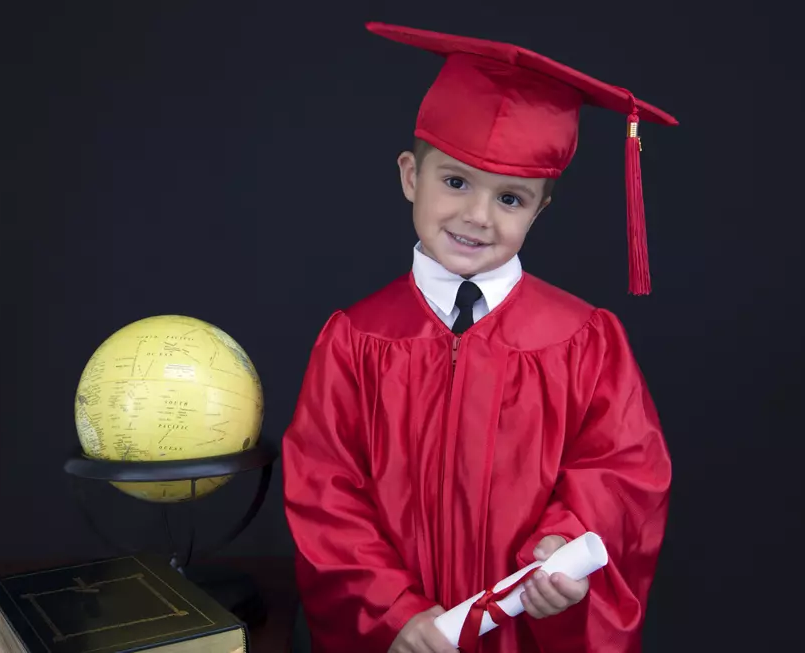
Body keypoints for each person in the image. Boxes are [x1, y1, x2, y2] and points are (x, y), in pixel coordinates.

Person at [280, 21, 676, 653]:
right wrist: (394, 613)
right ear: (411, 176)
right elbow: (325, 493)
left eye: (511, 198)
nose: (476, 216)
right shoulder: (355, 339)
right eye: (456, 181)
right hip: (410, 636)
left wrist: (565, 542)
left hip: (527, 628)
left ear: (541, 210)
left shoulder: (584, 339)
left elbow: (624, 470)